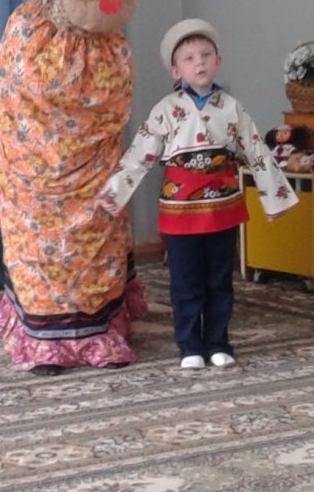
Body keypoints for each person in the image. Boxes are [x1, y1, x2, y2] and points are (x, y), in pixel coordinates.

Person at [96, 18, 296, 369]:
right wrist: (113, 193)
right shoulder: (165, 110)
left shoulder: (232, 108)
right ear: (175, 70)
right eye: (189, 58)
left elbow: (255, 151)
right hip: (180, 211)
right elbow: (140, 154)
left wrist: (273, 196)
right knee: (185, 281)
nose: (199, 63)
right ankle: (189, 345)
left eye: (205, 55)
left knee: (219, 279)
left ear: (218, 61)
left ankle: (218, 341)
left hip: (222, 207)